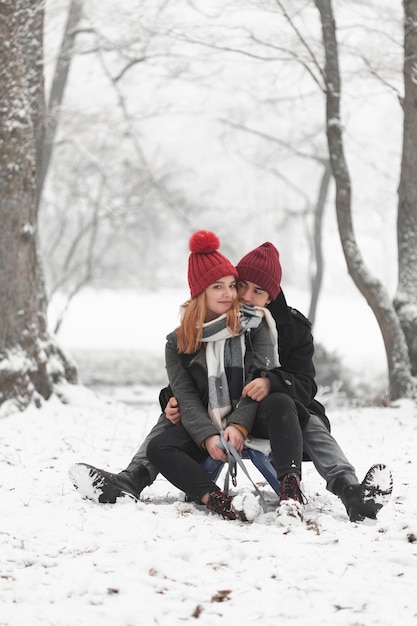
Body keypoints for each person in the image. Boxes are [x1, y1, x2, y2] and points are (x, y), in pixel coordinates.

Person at [70, 242, 393, 523]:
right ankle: (132, 479)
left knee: (301, 414)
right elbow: (194, 378)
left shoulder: (286, 328)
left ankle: (349, 490)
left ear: (272, 295)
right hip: (217, 412)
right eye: (241, 286)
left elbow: (305, 384)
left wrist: (271, 382)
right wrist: (171, 397)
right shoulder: (220, 321)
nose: (246, 296)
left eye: (258, 291)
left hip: (276, 414)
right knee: (174, 410)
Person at [71, 230, 278, 521]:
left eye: (232, 285)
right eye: (218, 287)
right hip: (205, 420)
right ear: (200, 292)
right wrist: (206, 436)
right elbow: (186, 392)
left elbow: (257, 380)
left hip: (248, 420)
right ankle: (217, 500)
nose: (230, 294)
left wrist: (239, 426)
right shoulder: (177, 342)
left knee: (175, 409)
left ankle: (133, 478)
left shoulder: (251, 328)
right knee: (166, 430)